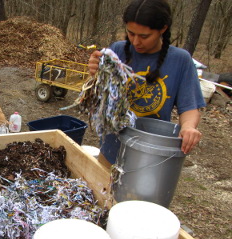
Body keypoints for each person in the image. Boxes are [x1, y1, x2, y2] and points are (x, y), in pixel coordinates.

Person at [88, 0, 205, 168]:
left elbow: (190, 106)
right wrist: (95, 73)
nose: (135, 42)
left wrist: (188, 127)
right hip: (112, 147)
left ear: (163, 29)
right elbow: (101, 95)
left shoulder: (180, 60)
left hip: (151, 153)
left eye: (144, 36)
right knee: (103, 190)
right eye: (131, 33)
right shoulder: (118, 50)